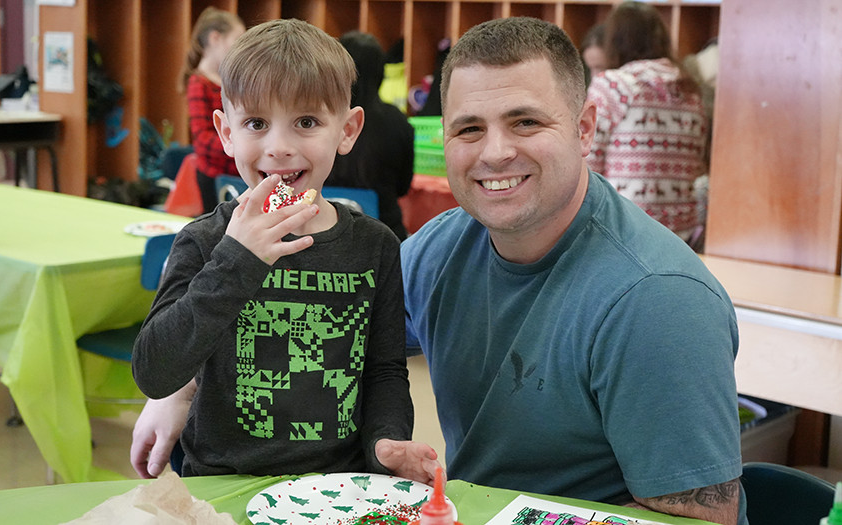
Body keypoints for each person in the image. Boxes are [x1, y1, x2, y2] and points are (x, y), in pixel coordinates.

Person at [132, 16, 745, 525]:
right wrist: (180, 386)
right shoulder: (440, 248)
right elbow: (353, 352)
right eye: (469, 129)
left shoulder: (657, 300)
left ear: (585, 130)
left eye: (526, 121)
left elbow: (702, 519)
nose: (496, 151)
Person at [132, 18, 440, 484]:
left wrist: (385, 444)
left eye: (307, 122)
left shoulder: (375, 247)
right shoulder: (205, 242)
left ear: (348, 129)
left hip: (339, 488)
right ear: (226, 131)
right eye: (256, 122)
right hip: (222, 486)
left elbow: (384, 372)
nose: (279, 147)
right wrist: (237, 258)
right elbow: (156, 373)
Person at [586, 2, 707, 241]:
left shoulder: (614, 85)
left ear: (614, 41)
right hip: (681, 232)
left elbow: (586, 160)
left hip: (624, 228)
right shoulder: (691, 91)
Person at [327, 31, 414, 241]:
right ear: (380, 71)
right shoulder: (397, 121)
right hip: (385, 235)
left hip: (319, 233)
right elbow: (403, 188)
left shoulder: (318, 120)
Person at [181, 7, 245, 215]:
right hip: (214, 177)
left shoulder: (232, 80)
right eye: (237, 40)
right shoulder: (199, 83)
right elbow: (202, 140)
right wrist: (243, 145)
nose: (240, 49)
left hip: (239, 171)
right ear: (216, 38)